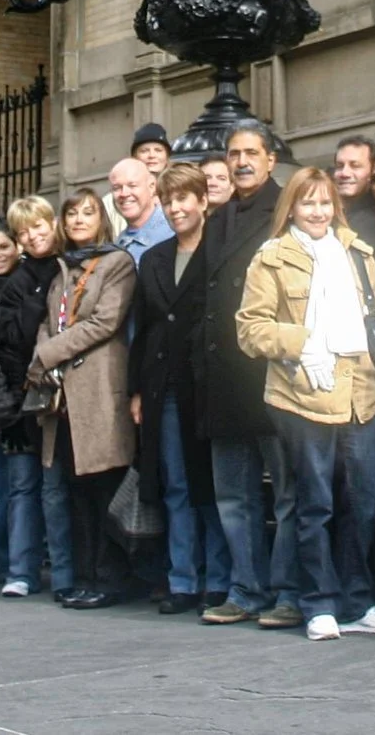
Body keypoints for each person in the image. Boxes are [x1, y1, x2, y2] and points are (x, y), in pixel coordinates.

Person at [238, 167, 375, 641]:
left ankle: (357, 601)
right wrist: (303, 344)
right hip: (302, 390)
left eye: (325, 203)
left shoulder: (356, 252)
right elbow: (251, 328)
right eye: (308, 202)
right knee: (315, 502)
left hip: (361, 391)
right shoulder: (271, 257)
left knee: (364, 501)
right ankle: (319, 602)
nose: (318, 211)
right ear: (292, 208)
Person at [198, 122, 302, 627]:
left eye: (251, 153)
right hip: (224, 375)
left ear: (270, 159)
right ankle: (245, 589)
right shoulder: (218, 218)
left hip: (270, 372)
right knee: (234, 495)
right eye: (234, 153)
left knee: (287, 493)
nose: (241, 162)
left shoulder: (285, 209)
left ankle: (288, 592)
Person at [30, 187, 138, 609]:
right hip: (64, 399)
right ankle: (84, 576)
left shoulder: (117, 263)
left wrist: (48, 353)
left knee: (103, 487)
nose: (78, 220)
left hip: (99, 392)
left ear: (101, 220)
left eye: (87, 213)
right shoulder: (62, 269)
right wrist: (43, 351)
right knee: (75, 489)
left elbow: (105, 321)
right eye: (72, 213)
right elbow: (49, 321)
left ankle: (110, 579)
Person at [131, 163, 229, 614]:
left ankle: (220, 579)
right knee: (176, 485)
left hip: (210, 385)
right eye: (168, 201)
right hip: (165, 386)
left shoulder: (220, 251)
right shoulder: (154, 258)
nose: (175, 208)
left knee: (212, 484)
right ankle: (183, 580)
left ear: (203, 201)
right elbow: (144, 327)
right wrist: (136, 390)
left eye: (183, 198)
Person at [0, 206, 63, 597]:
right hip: (21, 396)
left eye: (36, 227)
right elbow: (4, 349)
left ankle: (65, 572)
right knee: (24, 487)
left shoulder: (66, 268)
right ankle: (21, 571)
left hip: (62, 394)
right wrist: (8, 412)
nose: (31, 236)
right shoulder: (11, 287)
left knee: (56, 488)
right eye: (23, 231)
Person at [108, 156, 174, 262]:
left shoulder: (173, 229)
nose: (124, 193)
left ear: (152, 187)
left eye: (132, 185)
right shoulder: (118, 243)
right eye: (117, 188)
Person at [331, 136, 375, 244]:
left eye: (355, 166)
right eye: (339, 166)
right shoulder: (325, 211)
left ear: (372, 172)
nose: (344, 173)